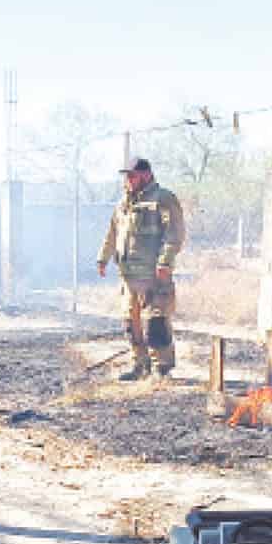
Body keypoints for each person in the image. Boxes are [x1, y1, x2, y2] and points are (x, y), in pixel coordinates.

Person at [97, 156, 186, 380]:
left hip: (153, 276)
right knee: (131, 323)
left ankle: (161, 369)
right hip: (129, 278)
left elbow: (175, 233)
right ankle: (140, 366)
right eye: (126, 176)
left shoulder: (163, 199)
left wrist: (165, 261)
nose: (127, 180)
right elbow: (112, 233)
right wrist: (103, 258)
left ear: (146, 174)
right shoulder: (123, 204)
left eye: (132, 175)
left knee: (155, 323)